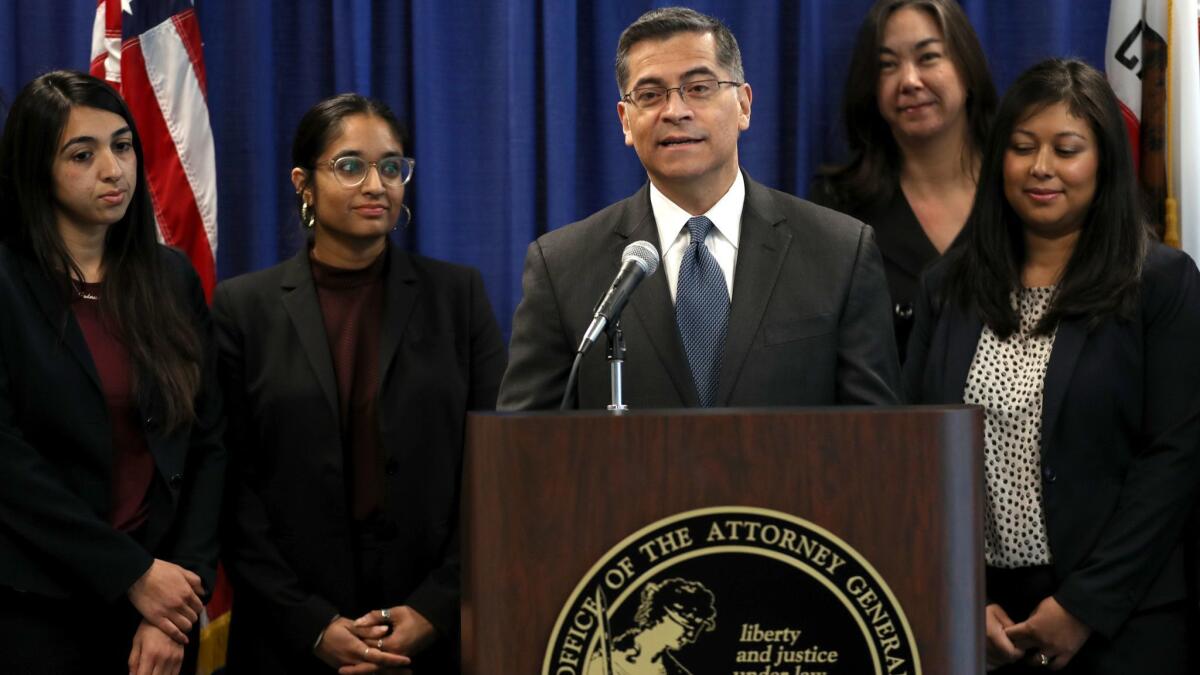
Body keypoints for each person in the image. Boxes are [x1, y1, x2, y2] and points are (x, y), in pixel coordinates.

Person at [904, 59, 1200, 673]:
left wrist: (1082, 606)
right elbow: (914, 452)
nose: (1041, 168)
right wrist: (966, 597)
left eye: (1067, 149)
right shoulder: (946, 289)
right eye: (1021, 148)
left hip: (1124, 618)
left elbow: (1175, 458)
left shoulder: (1160, 284)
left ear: (1105, 164)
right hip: (981, 622)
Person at [214, 93, 507, 674]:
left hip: (433, 635)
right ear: (304, 183)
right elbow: (228, 487)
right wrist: (310, 623)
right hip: (288, 639)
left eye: (392, 167)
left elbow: (498, 470)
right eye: (350, 167)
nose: (377, 184)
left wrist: (436, 606)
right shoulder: (244, 308)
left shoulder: (458, 298)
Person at [499, 7, 899, 411]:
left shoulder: (839, 252)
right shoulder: (562, 267)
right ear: (625, 120)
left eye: (699, 88)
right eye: (650, 95)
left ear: (744, 105)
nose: (675, 111)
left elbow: (877, 442)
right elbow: (523, 450)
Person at [0, 71, 224, 675]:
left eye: (122, 146)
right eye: (83, 153)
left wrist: (175, 601)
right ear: (34, 167)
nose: (113, 169)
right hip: (35, 604)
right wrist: (131, 574)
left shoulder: (172, 278)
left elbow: (207, 442)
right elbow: (10, 467)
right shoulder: (7, 283)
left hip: (157, 607)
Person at [811, 0, 996, 361]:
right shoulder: (838, 208)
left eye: (928, 58)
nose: (909, 81)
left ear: (967, 67)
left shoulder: (1021, 192)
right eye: (888, 65)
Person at [586, 578, 717, 675]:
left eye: (695, 630)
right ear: (664, 616)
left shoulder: (676, 672)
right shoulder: (604, 664)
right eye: (687, 627)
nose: (691, 637)